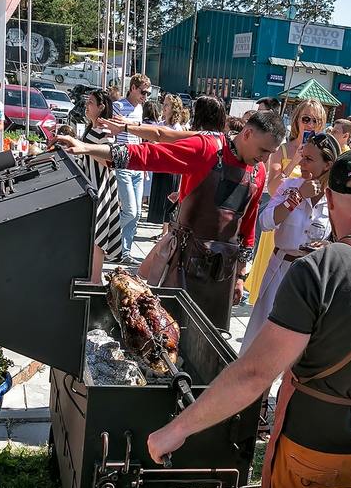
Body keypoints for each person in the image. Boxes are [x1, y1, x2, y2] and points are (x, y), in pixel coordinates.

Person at [146, 147, 351, 488]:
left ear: (331, 200)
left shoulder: (317, 268)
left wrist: (176, 430)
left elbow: (255, 373)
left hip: (311, 452)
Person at [58, 110, 285, 330]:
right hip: (183, 260)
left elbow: (247, 224)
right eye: (263, 150)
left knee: (207, 335)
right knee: (167, 326)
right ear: (247, 134)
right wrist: (87, 148)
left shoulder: (259, 171)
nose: (265, 158)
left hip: (222, 269)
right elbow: (149, 155)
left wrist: (240, 275)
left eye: (269, 153)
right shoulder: (206, 148)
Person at [241, 132, 338, 352]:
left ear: (327, 165)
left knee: (301, 345)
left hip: (314, 278)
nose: (301, 163)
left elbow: (341, 239)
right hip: (280, 270)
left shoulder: (335, 198)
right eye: (303, 156)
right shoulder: (289, 186)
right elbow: (265, 222)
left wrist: (328, 246)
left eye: (309, 159)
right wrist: (296, 198)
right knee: (259, 341)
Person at [247, 99, 327, 305]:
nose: (310, 124)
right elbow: (273, 189)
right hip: (281, 223)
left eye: (315, 121)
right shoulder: (283, 149)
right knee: (269, 292)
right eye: (306, 119)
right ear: (297, 120)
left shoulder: (326, 153)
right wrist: (296, 159)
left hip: (310, 227)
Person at [112, 73, 151, 266]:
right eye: (143, 92)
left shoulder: (140, 108)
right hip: (123, 160)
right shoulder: (118, 106)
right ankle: (108, 234)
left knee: (136, 214)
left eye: (148, 93)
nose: (145, 96)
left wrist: (143, 165)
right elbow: (116, 130)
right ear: (133, 88)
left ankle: (124, 251)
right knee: (130, 210)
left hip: (137, 162)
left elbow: (139, 136)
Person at [79, 90, 120, 277]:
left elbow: (110, 161)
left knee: (99, 234)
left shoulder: (104, 131)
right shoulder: (91, 128)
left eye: (91, 103)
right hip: (91, 185)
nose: (87, 106)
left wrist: (85, 150)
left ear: (101, 107)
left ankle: (95, 279)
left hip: (101, 186)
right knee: (92, 233)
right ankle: (91, 276)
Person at [146, 93, 185, 229]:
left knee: (168, 198)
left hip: (171, 167)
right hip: (160, 165)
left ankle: (165, 230)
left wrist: (158, 144)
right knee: (160, 198)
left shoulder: (176, 128)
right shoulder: (161, 124)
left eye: (167, 105)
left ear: (173, 108)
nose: (164, 107)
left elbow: (175, 148)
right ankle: (162, 227)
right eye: (164, 104)